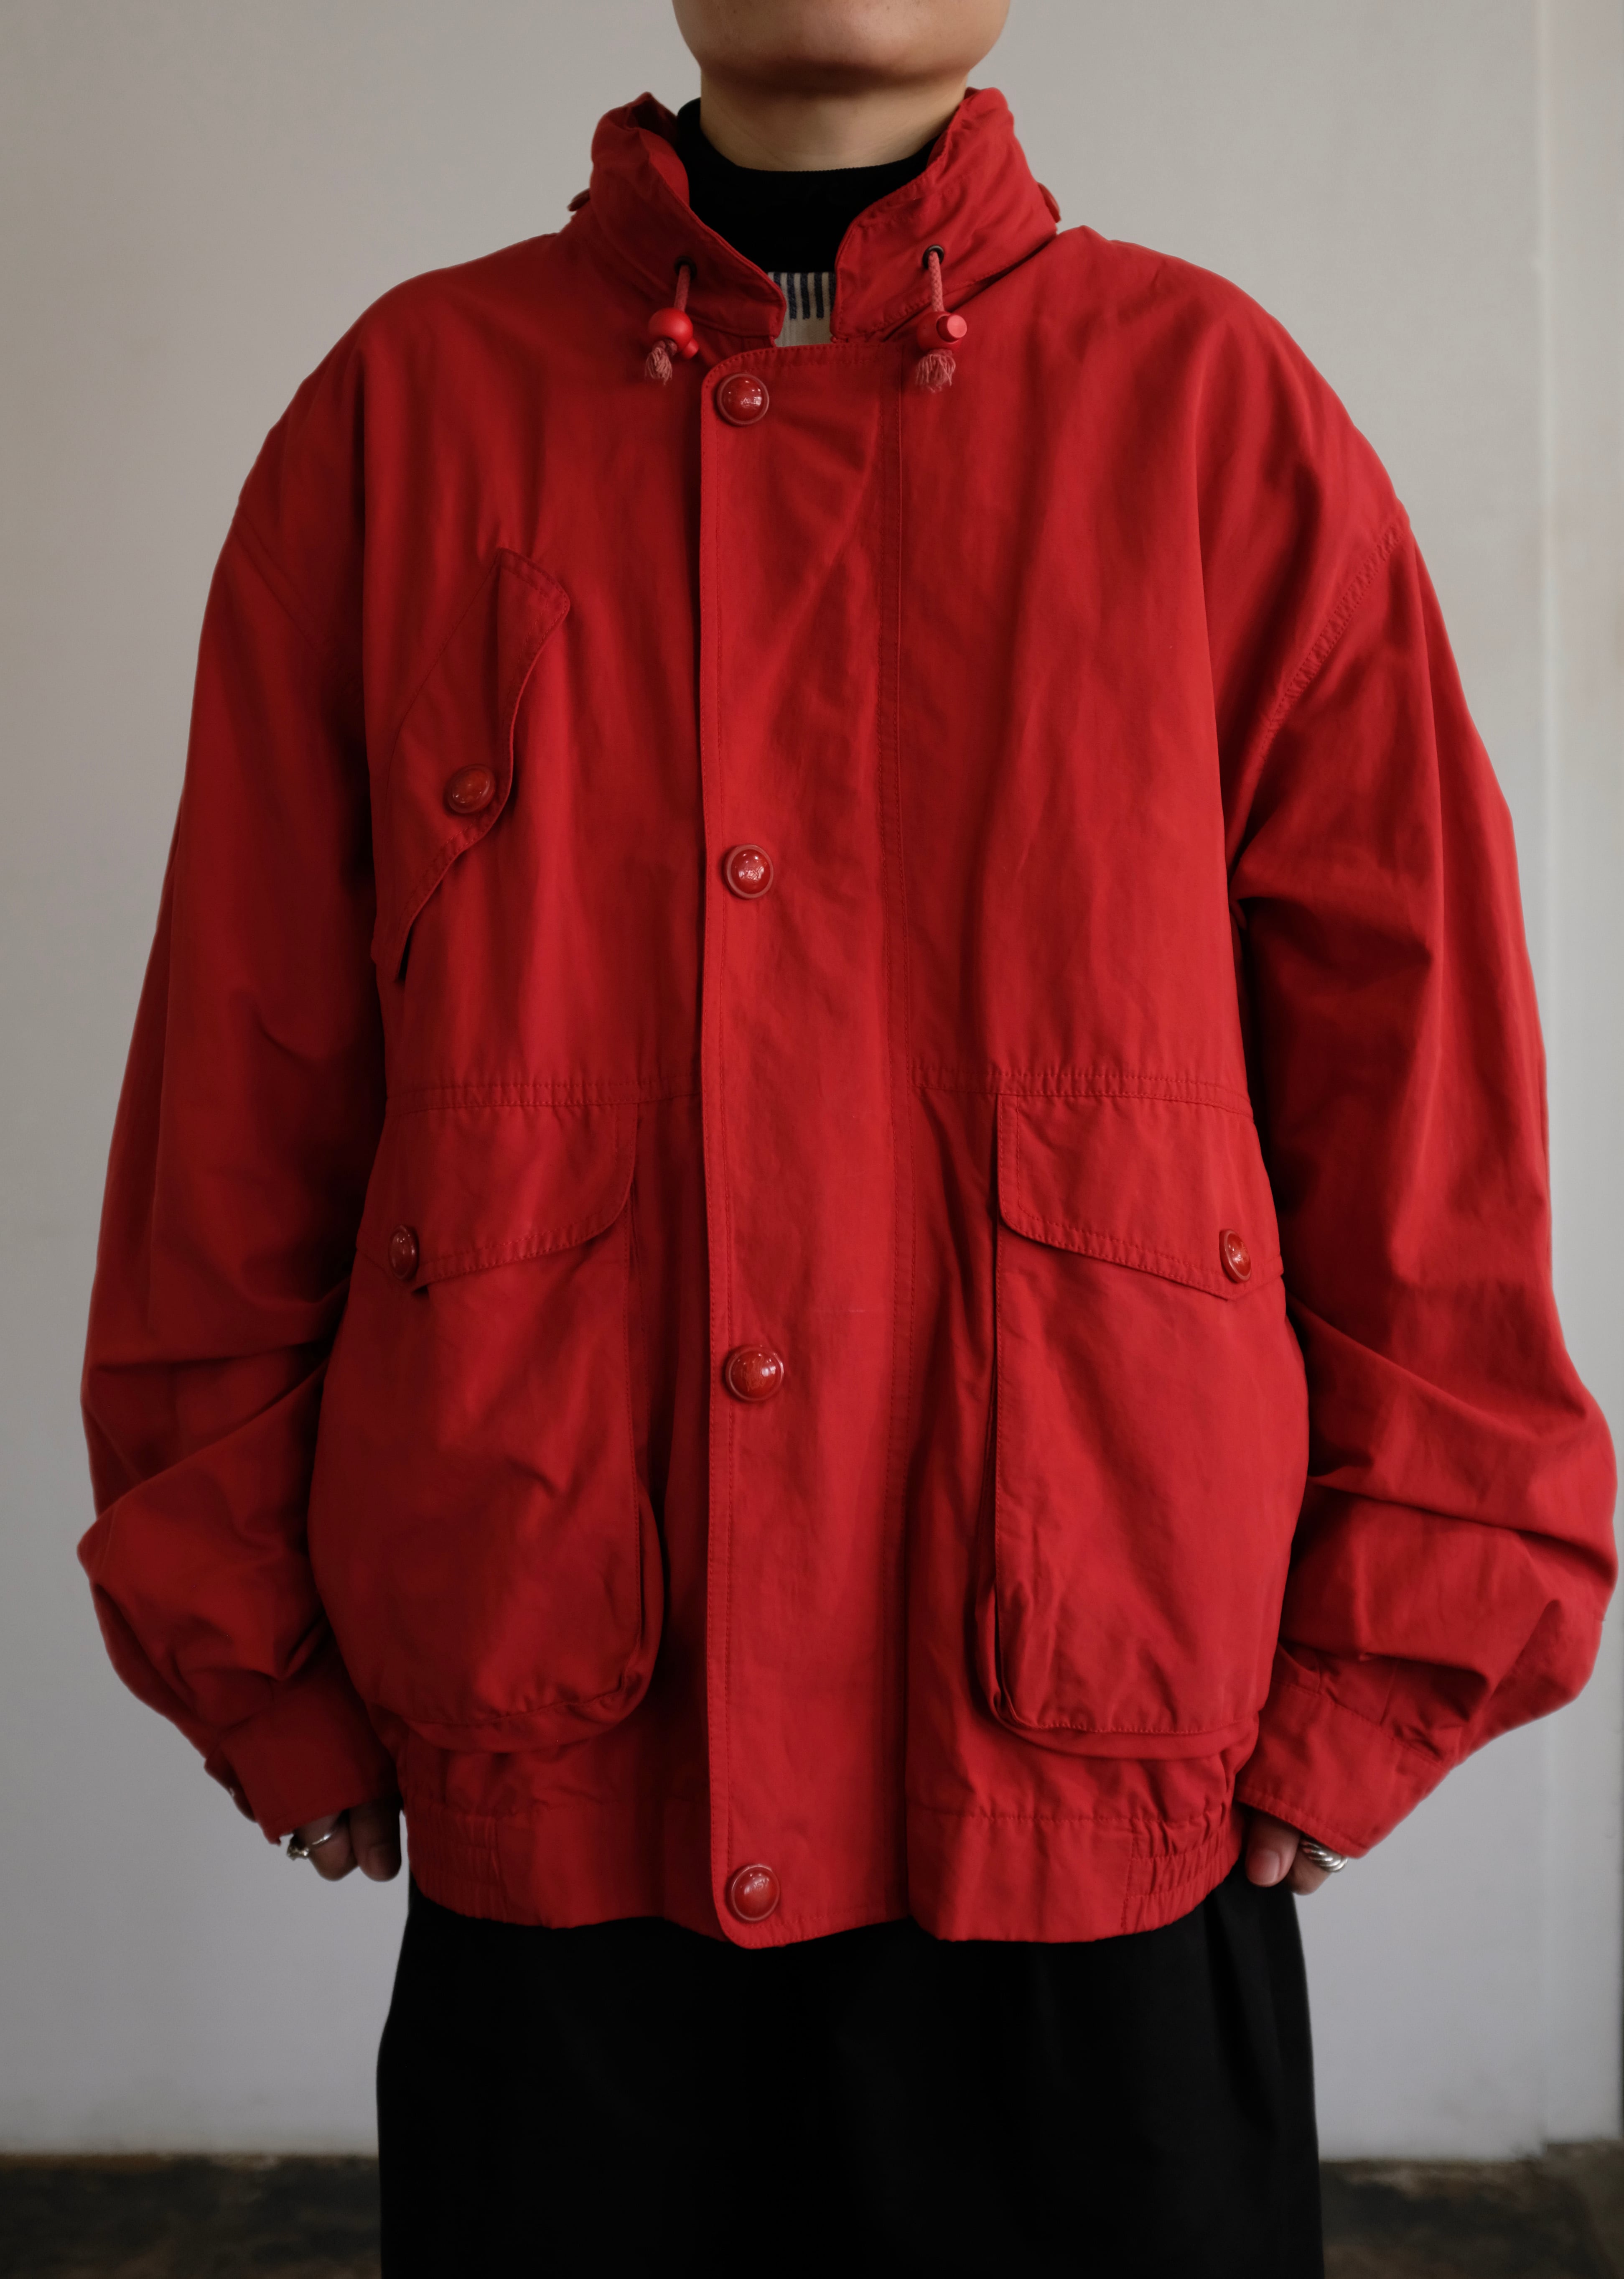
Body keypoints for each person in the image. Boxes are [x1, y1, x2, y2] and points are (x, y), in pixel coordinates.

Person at [79, 1, 1616, 2271]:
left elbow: (1421, 1110)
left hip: (1097, 1794)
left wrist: (1393, 1654)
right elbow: (242, 1084)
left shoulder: (1212, 417)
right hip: (566, 1782)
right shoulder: (408, 417)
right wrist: (250, 1645)